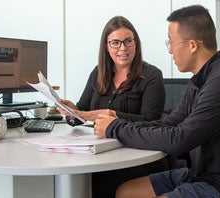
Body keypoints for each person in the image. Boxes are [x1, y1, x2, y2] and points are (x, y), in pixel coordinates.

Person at [94, 5, 220, 198]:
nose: (170, 51)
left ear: (192, 45)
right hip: (200, 175)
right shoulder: (200, 80)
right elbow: (167, 123)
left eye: (171, 43)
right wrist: (120, 124)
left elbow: (179, 140)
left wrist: (115, 128)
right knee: (125, 192)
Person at [57, 16, 167, 197]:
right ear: (106, 47)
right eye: (115, 42)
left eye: (128, 41)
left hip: (137, 156)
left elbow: (153, 120)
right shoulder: (98, 72)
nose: (123, 48)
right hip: (101, 153)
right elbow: (83, 112)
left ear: (135, 43)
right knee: (74, 177)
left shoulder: (151, 75)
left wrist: (113, 115)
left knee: (99, 186)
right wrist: (72, 111)